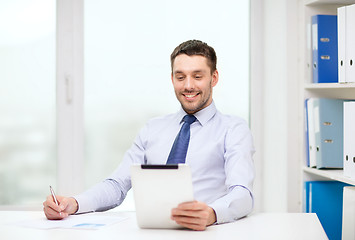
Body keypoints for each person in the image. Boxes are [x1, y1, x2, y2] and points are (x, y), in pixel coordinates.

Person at [43, 39, 255, 231]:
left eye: (197, 76)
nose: (188, 85)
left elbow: (242, 193)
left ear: (214, 78)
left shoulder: (233, 129)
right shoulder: (153, 129)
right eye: (180, 77)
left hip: (205, 233)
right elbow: (117, 185)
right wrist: (73, 203)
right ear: (172, 79)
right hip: (152, 234)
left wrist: (211, 214)